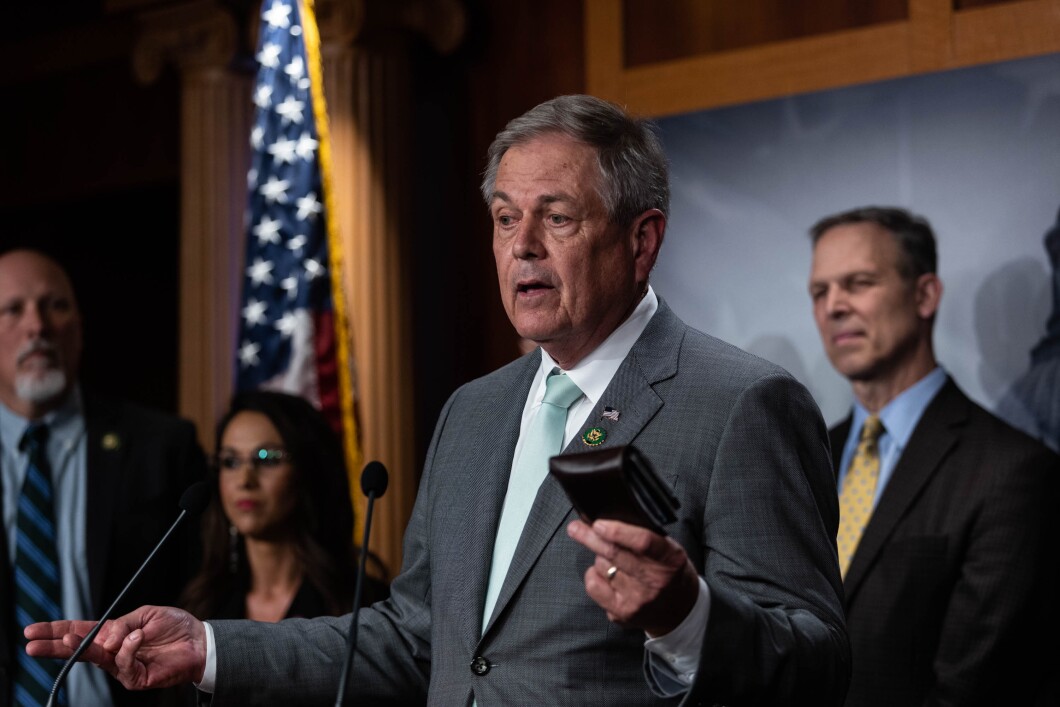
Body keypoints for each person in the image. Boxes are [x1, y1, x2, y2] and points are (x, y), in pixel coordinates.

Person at [27, 95, 850, 705]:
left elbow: (816, 663)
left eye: (555, 217)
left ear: (642, 242)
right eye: (502, 218)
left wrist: (686, 616)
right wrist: (207, 646)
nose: (520, 245)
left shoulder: (741, 401)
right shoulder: (475, 412)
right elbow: (411, 636)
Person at [806, 206, 1060, 706]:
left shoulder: (1012, 471)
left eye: (858, 283)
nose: (834, 306)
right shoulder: (806, 455)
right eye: (820, 291)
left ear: (924, 295)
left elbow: (976, 687)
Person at [0, 248, 207, 707]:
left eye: (55, 305)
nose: (37, 326)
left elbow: (204, 593)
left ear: (79, 329)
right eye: (13, 309)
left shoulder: (161, 445)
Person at [180, 389, 388, 623]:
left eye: (267, 458)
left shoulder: (364, 604)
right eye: (231, 461)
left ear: (307, 471)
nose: (245, 480)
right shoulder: (200, 607)